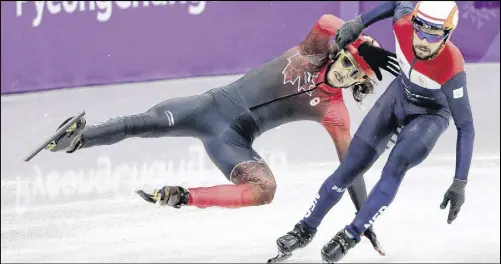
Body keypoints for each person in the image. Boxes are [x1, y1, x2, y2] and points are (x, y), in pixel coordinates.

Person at [46, 14, 399, 254]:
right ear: (341, 53)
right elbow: (329, 22)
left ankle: (181, 196)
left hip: (232, 142)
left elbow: (352, 168)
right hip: (206, 108)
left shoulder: (334, 111)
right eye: (348, 63)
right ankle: (79, 137)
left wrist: (362, 219)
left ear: (358, 83)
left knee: (266, 190)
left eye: (354, 75)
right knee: (146, 123)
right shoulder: (314, 47)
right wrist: (359, 35)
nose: (345, 74)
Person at [273, 1, 475, 263]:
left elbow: (466, 126)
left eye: (433, 34)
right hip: (398, 97)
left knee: (394, 167)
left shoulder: (452, 65)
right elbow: (397, 3)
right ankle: (305, 229)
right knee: (350, 166)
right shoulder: (403, 25)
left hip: (430, 116)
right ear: (413, 23)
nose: (423, 41)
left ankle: (351, 234)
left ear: (446, 35)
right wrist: (359, 23)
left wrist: (460, 182)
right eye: (420, 30)